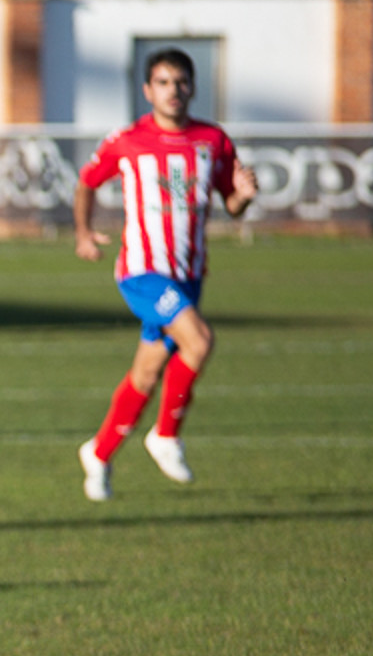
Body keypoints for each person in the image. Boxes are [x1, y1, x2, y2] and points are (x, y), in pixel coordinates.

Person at [73, 48, 258, 501]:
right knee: (200, 341)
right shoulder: (127, 139)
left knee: (146, 373)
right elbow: (87, 182)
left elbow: (231, 204)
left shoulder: (212, 141)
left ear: (193, 87)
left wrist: (246, 197)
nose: (172, 90)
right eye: (163, 82)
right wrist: (82, 233)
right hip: (142, 271)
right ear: (147, 90)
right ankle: (166, 434)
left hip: (188, 274)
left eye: (180, 82)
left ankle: (99, 453)